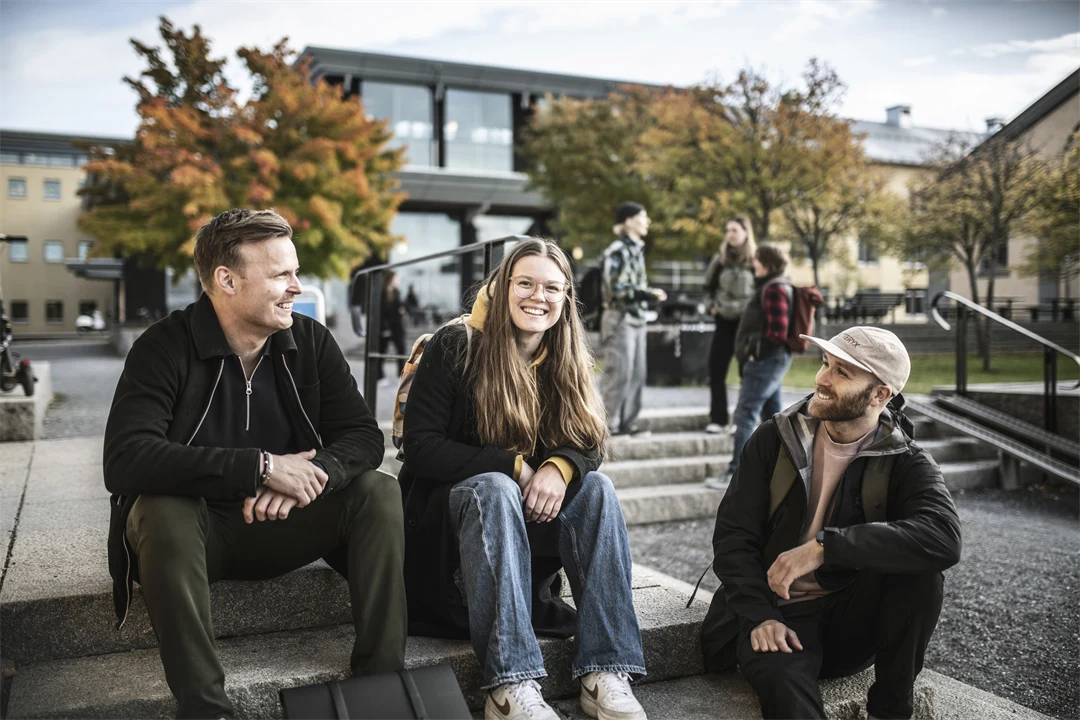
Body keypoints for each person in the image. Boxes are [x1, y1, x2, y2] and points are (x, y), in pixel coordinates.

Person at [103, 209, 406, 720]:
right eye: (281, 275)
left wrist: (313, 475)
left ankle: (383, 685)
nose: (297, 286)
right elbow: (126, 458)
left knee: (378, 489)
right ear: (226, 279)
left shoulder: (310, 341)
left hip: (290, 523)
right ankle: (207, 709)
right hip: (198, 538)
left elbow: (361, 436)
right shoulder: (163, 347)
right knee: (158, 510)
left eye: (295, 271)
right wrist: (262, 468)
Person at [399, 238, 648, 720]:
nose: (539, 296)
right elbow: (420, 446)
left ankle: (606, 672)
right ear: (502, 286)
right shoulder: (456, 344)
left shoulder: (564, 353)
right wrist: (513, 465)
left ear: (566, 298)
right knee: (494, 486)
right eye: (526, 283)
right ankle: (509, 688)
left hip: (520, 524)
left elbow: (590, 440)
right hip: (446, 530)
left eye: (552, 287)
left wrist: (560, 467)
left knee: (596, 488)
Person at [702, 326, 962, 720]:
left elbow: (943, 538)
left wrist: (825, 547)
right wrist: (758, 615)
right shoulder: (776, 438)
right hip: (778, 612)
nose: (822, 379)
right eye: (826, 364)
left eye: (842, 372)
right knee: (787, 696)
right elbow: (733, 537)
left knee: (923, 573)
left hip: (853, 623)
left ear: (880, 395)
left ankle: (890, 712)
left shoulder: (906, 459)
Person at [706, 242, 793, 489]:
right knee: (773, 417)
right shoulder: (775, 285)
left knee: (744, 414)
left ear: (766, 262)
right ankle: (781, 470)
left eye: (756, 260)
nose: (753, 264)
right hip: (771, 361)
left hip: (765, 362)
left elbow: (778, 332)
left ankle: (736, 474)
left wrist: (756, 354)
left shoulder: (775, 288)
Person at [600, 202, 667, 437]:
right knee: (619, 373)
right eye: (642, 216)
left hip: (636, 318)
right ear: (628, 221)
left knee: (637, 374)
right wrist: (650, 294)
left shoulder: (637, 250)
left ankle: (627, 425)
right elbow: (617, 288)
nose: (647, 221)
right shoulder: (617, 250)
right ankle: (601, 427)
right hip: (620, 319)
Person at [701, 215, 757, 435]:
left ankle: (742, 422)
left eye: (734, 230)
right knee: (716, 370)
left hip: (746, 325)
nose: (730, 235)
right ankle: (718, 419)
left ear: (745, 232)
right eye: (727, 231)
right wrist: (711, 306)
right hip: (723, 320)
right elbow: (707, 288)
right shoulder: (720, 259)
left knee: (747, 373)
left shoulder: (754, 259)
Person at [377, 270, 407, 383]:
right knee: (381, 352)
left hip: (397, 328)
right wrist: (384, 328)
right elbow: (380, 312)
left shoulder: (397, 292)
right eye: (396, 278)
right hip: (386, 328)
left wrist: (402, 309)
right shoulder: (381, 293)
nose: (398, 280)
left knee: (401, 351)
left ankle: (402, 375)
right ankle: (380, 376)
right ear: (390, 279)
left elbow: (400, 307)